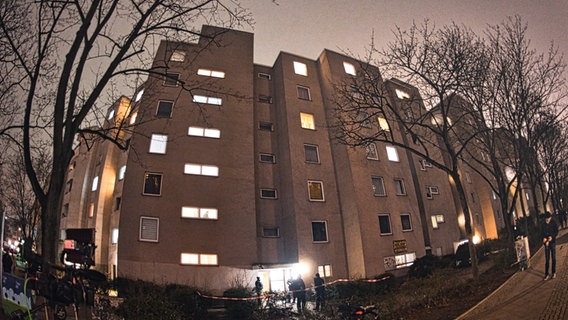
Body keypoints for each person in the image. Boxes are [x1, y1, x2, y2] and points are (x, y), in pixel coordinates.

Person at [541, 212, 559, 280]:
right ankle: (546, 274)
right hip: (546, 243)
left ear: (550, 217)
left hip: (552, 242)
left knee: (553, 258)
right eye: (546, 219)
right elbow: (541, 233)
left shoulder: (553, 222)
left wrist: (552, 237)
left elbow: (556, 231)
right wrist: (543, 239)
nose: (547, 220)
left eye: (548, 218)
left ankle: (553, 272)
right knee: (547, 259)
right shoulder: (543, 224)